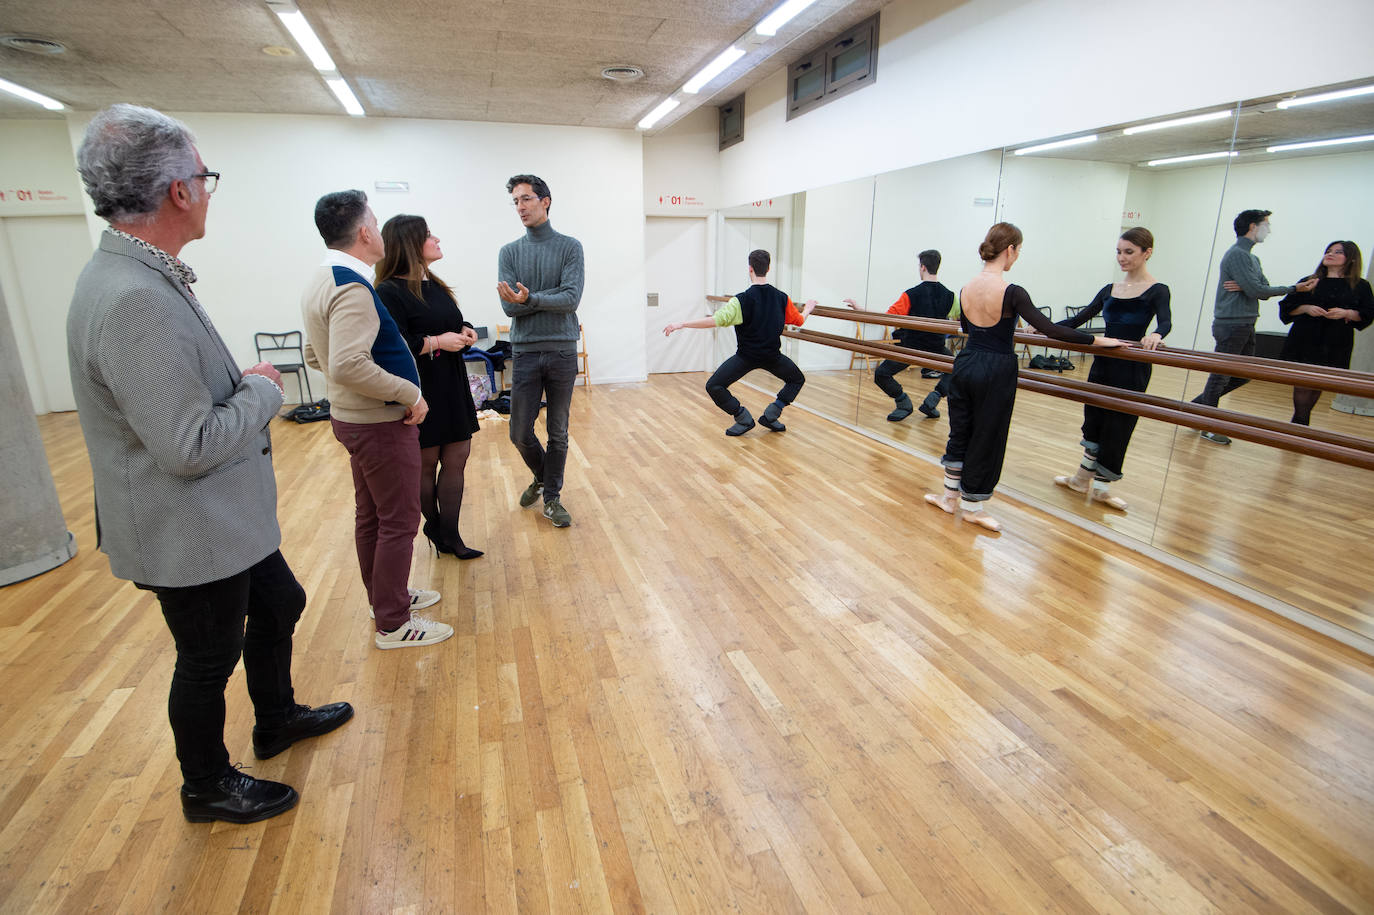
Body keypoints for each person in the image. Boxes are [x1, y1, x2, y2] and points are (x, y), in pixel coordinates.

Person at [66, 104, 352, 824]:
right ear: (178, 192)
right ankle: (208, 784)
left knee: (280, 602)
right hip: (188, 529)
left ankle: (276, 716)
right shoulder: (134, 298)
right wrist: (261, 390)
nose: (209, 189)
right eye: (205, 175)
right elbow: (187, 443)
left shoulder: (141, 275)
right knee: (205, 658)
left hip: (224, 521)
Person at [301, 190, 453, 650]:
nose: (379, 227)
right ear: (365, 232)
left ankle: (384, 598)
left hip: (355, 419)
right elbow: (347, 364)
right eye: (375, 219)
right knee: (399, 520)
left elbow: (316, 354)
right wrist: (410, 393)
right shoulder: (352, 286)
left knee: (373, 515)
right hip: (378, 424)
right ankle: (393, 622)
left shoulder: (322, 277)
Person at [924, 223, 1125, 531]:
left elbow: (966, 329)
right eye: (1018, 251)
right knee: (987, 436)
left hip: (966, 362)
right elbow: (1052, 330)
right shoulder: (1012, 291)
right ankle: (973, 507)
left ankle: (949, 496)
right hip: (997, 367)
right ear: (1011, 250)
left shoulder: (966, 288)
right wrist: (1098, 341)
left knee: (961, 431)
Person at [375, 215, 483, 559]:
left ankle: (448, 533)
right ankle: (438, 528)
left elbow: (447, 321)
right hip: (421, 385)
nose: (436, 239)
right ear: (409, 244)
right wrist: (437, 341)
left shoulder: (433, 284)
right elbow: (394, 344)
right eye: (428, 235)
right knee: (426, 463)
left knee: (458, 456)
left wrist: (464, 330)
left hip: (451, 381)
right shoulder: (389, 291)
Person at [1052, 227, 1172, 510]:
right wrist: (1044, 328)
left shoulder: (1157, 290)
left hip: (1131, 367)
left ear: (1147, 253)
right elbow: (1080, 319)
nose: (1122, 257)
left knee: (1119, 424)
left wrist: (1157, 335)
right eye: (1119, 251)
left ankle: (1102, 488)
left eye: (1129, 252)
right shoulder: (1109, 290)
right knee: (1093, 418)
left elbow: (1165, 322)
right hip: (1103, 362)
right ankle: (1081, 479)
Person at [497, 174, 583, 528]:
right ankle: (543, 476)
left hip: (562, 350)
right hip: (526, 352)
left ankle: (551, 498)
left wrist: (530, 298)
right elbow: (509, 309)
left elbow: (571, 299)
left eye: (527, 199)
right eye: (516, 201)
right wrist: (536, 301)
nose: (520, 207)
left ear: (545, 201)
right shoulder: (510, 252)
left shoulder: (570, 247)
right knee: (519, 431)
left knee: (558, 432)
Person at [1191, 209, 1317, 443]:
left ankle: (1197, 408)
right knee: (1220, 377)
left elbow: (1261, 288)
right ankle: (1205, 423)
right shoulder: (1238, 255)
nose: (1269, 230)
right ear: (1252, 226)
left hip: (1245, 323)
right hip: (1232, 324)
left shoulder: (1252, 258)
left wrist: (1249, 286)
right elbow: (1259, 290)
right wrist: (1293, 289)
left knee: (1243, 376)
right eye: (1266, 225)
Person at [664, 249, 818, 435]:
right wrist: (808, 308)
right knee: (797, 379)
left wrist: (682, 323)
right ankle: (773, 411)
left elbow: (715, 320)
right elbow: (799, 320)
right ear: (768, 268)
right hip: (772, 357)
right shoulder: (782, 298)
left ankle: (743, 417)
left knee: (714, 386)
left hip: (746, 357)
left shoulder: (740, 300)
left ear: (750, 269)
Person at [842, 249, 957, 420]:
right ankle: (934, 399)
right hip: (937, 350)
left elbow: (886, 318)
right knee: (957, 368)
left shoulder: (911, 294)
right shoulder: (951, 296)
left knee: (881, 374)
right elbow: (958, 319)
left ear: (922, 267)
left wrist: (860, 309)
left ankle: (903, 402)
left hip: (911, 349)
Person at [1278, 240, 1374, 425]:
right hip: (1306, 338)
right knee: (1304, 383)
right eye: (1329, 251)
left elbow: (1368, 313)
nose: (1330, 254)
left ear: (1351, 259)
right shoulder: (1310, 281)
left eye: (1338, 252)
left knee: (1318, 383)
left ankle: (1299, 425)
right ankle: (1300, 424)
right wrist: (1306, 308)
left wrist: (1346, 313)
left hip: (1336, 341)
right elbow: (1286, 307)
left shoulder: (1360, 285)